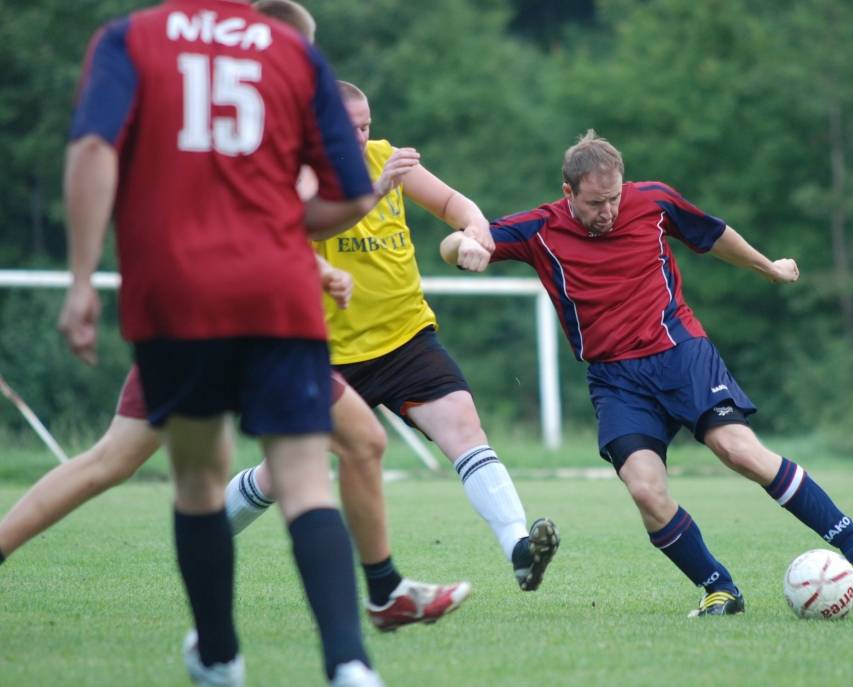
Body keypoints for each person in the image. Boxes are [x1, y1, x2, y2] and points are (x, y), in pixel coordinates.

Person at [0, 0, 469, 642]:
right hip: (259, 315)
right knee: (307, 462)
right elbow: (276, 214)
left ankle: (374, 596)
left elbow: (220, 209)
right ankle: (353, 624)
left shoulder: (152, 57)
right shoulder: (276, 106)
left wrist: (83, 278)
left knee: (132, 459)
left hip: (191, 306)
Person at [440, 130, 853, 616]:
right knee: (645, 489)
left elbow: (714, 235)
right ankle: (719, 589)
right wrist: (462, 248)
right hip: (615, 380)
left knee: (739, 451)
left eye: (614, 198)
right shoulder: (540, 228)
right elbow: (457, 242)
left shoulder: (655, 202)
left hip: (679, 352)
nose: (608, 211)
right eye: (596, 202)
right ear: (568, 193)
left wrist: (766, 267)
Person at [57, 1, 382, 685]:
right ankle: (349, 664)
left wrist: (82, 276)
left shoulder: (130, 39)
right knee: (303, 479)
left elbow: (92, 149)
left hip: (177, 292)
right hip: (278, 291)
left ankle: (219, 655)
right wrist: (266, 224)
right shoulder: (294, 52)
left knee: (200, 479)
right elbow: (353, 195)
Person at [225, 80, 560, 595]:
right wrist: (377, 188)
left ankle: (518, 546)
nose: (361, 138)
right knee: (282, 472)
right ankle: (206, 537)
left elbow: (453, 202)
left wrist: (476, 232)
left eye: (366, 126)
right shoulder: (301, 173)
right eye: (349, 128)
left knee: (465, 429)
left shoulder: (385, 158)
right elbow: (301, 230)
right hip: (329, 353)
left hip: (406, 335)